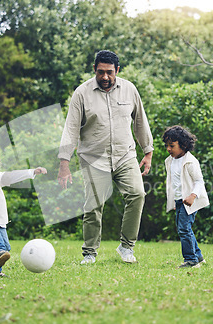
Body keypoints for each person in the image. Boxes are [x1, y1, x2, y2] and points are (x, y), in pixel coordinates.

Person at [57, 50, 154, 264]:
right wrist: (64, 163)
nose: (105, 77)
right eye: (101, 72)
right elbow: (71, 129)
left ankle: (126, 247)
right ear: (94, 70)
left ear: (117, 70)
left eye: (110, 72)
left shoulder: (129, 90)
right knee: (93, 206)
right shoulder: (81, 93)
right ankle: (90, 253)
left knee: (138, 194)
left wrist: (148, 152)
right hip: (93, 158)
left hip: (124, 155)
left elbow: (140, 121)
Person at [163, 125, 209, 268]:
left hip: (189, 201)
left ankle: (191, 260)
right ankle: (198, 256)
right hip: (178, 200)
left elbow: (199, 181)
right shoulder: (170, 161)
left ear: (183, 145)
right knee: (184, 228)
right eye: (166, 146)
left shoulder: (190, 161)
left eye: (172, 145)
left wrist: (192, 196)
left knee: (184, 229)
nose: (168, 149)